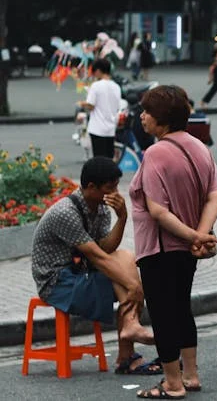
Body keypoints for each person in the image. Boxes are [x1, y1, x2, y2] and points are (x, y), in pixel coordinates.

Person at [131, 85, 217, 399]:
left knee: (162, 312)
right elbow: (213, 195)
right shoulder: (200, 147)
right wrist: (201, 233)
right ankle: (191, 374)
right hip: (187, 250)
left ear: (163, 119)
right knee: (181, 307)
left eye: (147, 112)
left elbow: (158, 210)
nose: (142, 117)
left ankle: (172, 382)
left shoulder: (156, 152)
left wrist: (194, 234)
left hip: (159, 248)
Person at [31, 157, 160, 375]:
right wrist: (134, 286)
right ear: (91, 187)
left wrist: (122, 218)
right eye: (110, 188)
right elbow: (98, 257)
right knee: (125, 279)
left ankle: (129, 334)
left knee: (125, 257)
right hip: (57, 282)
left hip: (81, 273)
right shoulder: (65, 213)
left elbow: (106, 248)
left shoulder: (99, 208)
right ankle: (126, 354)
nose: (115, 193)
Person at [79, 58, 121, 159]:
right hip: (111, 128)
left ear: (98, 71)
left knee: (98, 160)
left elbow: (91, 105)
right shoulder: (116, 87)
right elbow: (117, 106)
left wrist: (82, 104)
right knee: (108, 159)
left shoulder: (96, 86)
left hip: (97, 129)